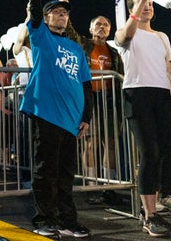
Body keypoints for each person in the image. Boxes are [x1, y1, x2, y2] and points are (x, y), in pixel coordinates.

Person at [16, 0, 92, 238]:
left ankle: (67, 219)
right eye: (55, 12)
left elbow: (86, 84)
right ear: (46, 18)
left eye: (64, 12)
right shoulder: (40, 35)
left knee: (65, 173)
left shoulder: (75, 47)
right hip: (46, 113)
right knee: (45, 170)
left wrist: (86, 116)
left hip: (72, 120)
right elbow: (34, 5)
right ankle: (44, 218)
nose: (61, 15)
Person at [114, 0, 171, 237]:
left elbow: (170, 66)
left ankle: (150, 209)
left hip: (161, 96)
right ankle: (150, 215)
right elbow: (124, 37)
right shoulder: (125, 32)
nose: (148, 7)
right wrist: (140, 0)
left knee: (163, 153)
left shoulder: (162, 37)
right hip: (137, 93)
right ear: (132, 8)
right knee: (149, 152)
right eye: (142, 3)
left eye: (150, 4)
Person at [70, 14, 124, 206]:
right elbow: (70, 32)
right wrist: (65, 8)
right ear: (91, 29)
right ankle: (91, 185)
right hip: (88, 98)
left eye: (106, 25)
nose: (102, 27)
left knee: (110, 143)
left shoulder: (114, 52)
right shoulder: (83, 45)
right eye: (98, 25)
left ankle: (108, 187)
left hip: (109, 99)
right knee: (90, 143)